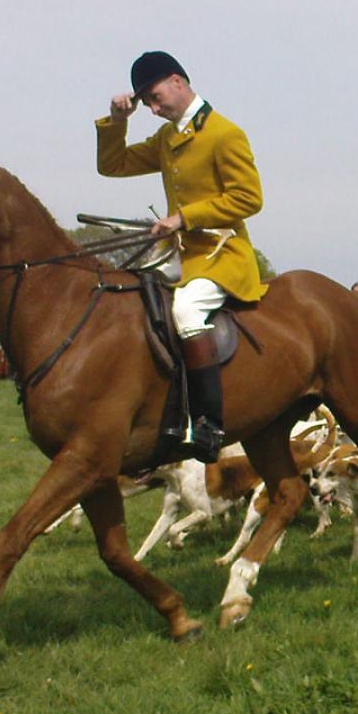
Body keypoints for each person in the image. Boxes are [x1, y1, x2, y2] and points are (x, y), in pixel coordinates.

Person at [97, 51, 266, 462]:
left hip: (221, 254)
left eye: (155, 99)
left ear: (177, 81)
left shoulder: (225, 134)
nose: (153, 110)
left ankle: (209, 424)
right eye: (147, 104)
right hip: (177, 255)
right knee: (129, 297)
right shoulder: (167, 138)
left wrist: (183, 218)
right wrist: (118, 122)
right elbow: (112, 165)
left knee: (188, 311)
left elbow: (249, 198)